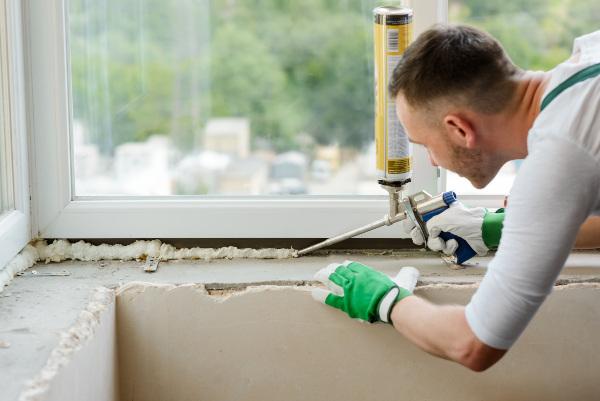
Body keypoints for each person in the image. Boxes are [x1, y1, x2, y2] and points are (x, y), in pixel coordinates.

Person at [311, 24, 600, 371]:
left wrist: (388, 301)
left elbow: (472, 344)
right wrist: (499, 228)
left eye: (426, 145)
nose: (432, 160)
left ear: (460, 129)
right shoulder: (589, 56)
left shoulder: (559, 156)